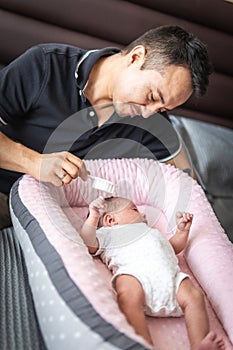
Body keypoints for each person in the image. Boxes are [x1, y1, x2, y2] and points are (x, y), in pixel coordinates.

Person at [0, 25, 212, 228]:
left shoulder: (153, 126)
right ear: (136, 57)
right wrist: (35, 163)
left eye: (162, 109)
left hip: (53, 219)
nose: (149, 113)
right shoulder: (45, 65)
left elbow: (189, 189)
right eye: (152, 96)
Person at [80, 196, 225, 350]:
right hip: (136, 276)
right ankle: (143, 344)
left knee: (194, 296)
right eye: (134, 209)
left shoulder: (151, 232)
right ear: (111, 220)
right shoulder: (108, 233)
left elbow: (171, 248)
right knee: (127, 289)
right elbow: (88, 243)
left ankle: (199, 343)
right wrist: (94, 216)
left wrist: (182, 231)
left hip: (171, 279)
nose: (143, 214)